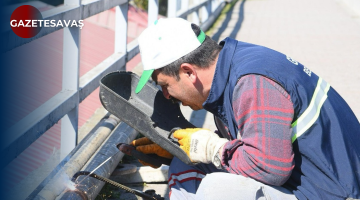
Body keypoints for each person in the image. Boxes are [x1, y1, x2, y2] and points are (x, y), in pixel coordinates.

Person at [130, 17, 360, 200]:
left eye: (165, 86)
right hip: (310, 180)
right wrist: (179, 152)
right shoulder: (232, 66)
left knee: (218, 189)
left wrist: (212, 149)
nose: (167, 96)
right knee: (186, 164)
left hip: (333, 192)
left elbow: (270, 168)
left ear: (189, 72)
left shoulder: (252, 82)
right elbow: (254, 139)